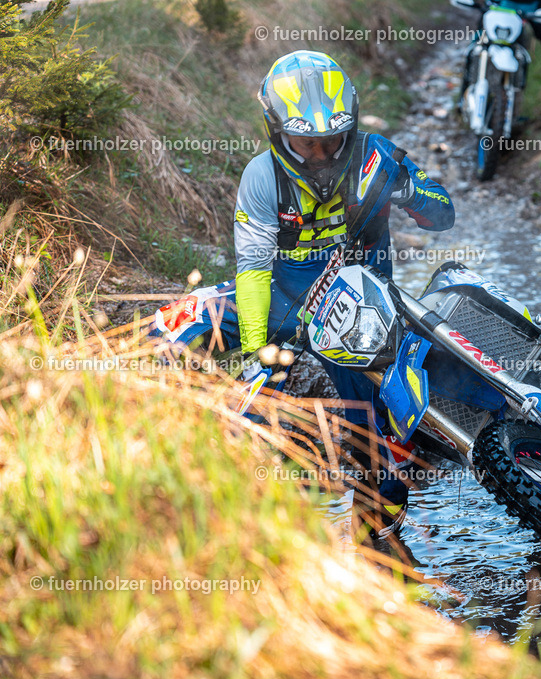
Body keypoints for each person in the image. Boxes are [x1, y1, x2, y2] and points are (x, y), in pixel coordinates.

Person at [154, 50, 455, 540]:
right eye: (305, 143)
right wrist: (257, 352)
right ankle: (155, 432)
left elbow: (443, 214)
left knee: (382, 440)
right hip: (283, 298)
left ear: (351, 126)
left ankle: (376, 538)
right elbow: (252, 271)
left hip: (359, 311)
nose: (321, 155)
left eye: (332, 141)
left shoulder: (375, 155)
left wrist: (407, 191)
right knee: (173, 321)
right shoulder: (261, 176)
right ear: (277, 131)